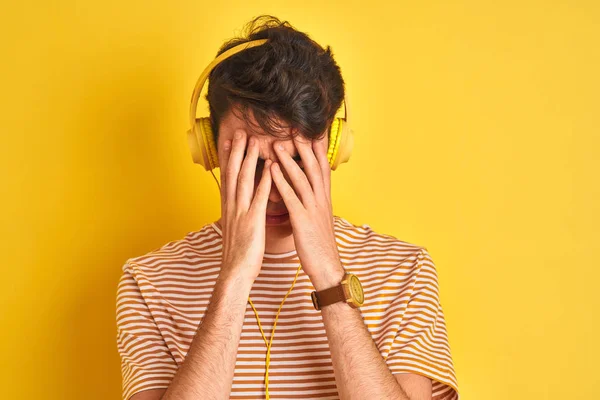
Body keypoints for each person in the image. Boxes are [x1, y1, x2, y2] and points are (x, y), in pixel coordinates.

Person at [116, 15, 459, 400]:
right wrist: (233, 278)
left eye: (296, 162)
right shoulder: (148, 282)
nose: (276, 191)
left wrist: (330, 276)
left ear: (334, 149)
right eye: (252, 162)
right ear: (208, 149)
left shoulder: (404, 271)